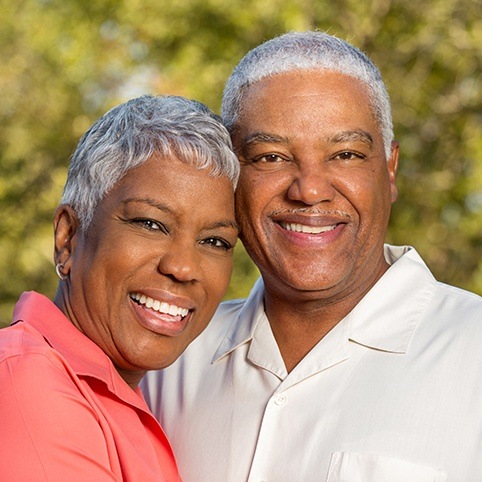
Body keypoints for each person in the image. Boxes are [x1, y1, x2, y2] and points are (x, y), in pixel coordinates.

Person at [142, 31, 482, 481]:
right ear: (230, 176)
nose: (310, 190)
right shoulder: (167, 360)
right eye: (270, 157)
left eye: (344, 154)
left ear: (390, 168)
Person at [0, 94, 240, 481]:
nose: (182, 267)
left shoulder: (127, 399)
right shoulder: (26, 383)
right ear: (69, 237)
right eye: (150, 223)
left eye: (215, 242)